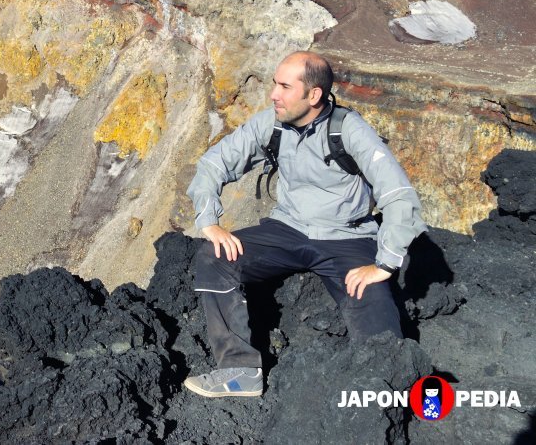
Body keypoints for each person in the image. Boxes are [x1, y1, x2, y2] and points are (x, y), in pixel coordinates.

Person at [182, 51, 425, 398]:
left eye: (284, 86)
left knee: (381, 336)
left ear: (313, 95)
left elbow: (399, 192)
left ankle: (389, 402)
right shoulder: (272, 124)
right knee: (213, 256)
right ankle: (239, 371)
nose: (273, 94)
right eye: (274, 84)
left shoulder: (349, 130)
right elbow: (213, 164)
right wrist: (209, 221)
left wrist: (384, 264)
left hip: (348, 239)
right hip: (287, 231)